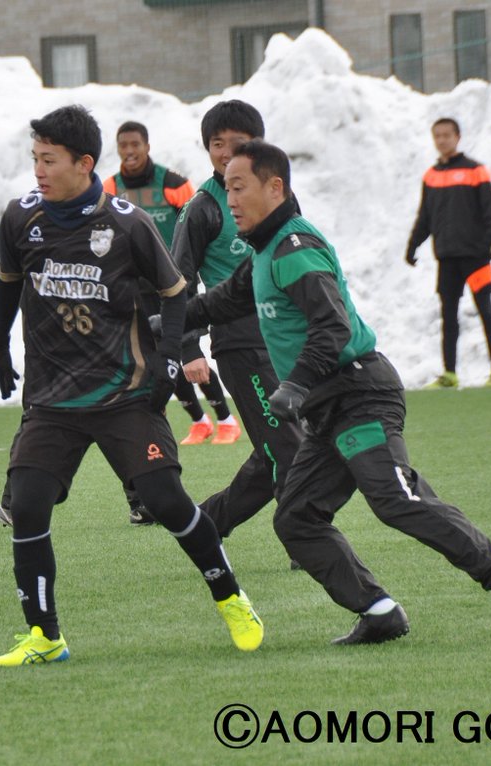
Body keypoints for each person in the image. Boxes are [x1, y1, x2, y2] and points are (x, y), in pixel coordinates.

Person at [184, 140, 491, 645]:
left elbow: (330, 327)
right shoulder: (265, 252)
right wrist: (166, 321)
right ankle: (380, 611)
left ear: (274, 187)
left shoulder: (294, 248)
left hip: (359, 393)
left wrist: (295, 384)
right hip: (330, 408)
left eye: (238, 187)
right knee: (298, 518)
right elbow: (224, 299)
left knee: (394, 499)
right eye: (226, 188)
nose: (231, 199)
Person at [0, 105, 263, 666]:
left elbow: (176, 291)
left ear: (84, 163)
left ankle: (230, 596)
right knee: (29, 505)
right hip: (51, 399)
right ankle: (45, 636)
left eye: (49, 160)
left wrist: (169, 357)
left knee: (164, 501)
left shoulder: (127, 222)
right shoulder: (20, 218)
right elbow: (8, 286)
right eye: (34, 158)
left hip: (124, 395)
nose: (37, 169)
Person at [171, 100, 304, 560]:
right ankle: (305, 538)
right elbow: (176, 281)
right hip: (241, 345)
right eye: (216, 144)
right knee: (287, 445)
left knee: (281, 447)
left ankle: (206, 524)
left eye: (236, 144)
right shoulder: (204, 207)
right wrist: (188, 346)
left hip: (289, 341)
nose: (226, 153)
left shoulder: (277, 198)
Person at [103, 120, 241, 449]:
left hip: (170, 286)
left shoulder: (174, 184)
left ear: (147, 146)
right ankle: (199, 421)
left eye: (135, 144)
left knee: (186, 351)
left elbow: (193, 232)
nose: (130, 151)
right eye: (124, 146)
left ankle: (226, 419)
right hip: (136, 289)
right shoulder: (109, 187)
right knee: (159, 359)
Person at [405, 118, 491, 389]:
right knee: (448, 314)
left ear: (458, 137)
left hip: (476, 256)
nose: (442, 140)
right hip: (446, 257)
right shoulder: (431, 176)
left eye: (447, 135)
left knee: (485, 309)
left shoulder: (476, 171)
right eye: (437, 136)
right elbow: (424, 217)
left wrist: (489, 242)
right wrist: (413, 245)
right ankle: (450, 373)